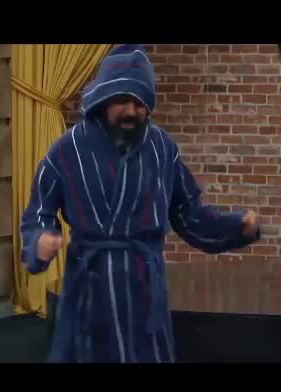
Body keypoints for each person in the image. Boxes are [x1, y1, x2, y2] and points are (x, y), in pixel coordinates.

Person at [20, 44, 261, 363]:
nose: (131, 111)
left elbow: (190, 216)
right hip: (89, 291)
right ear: (103, 98)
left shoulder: (162, 148)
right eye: (122, 100)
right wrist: (39, 242)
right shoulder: (67, 150)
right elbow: (38, 213)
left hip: (144, 291)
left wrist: (236, 227)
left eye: (140, 102)